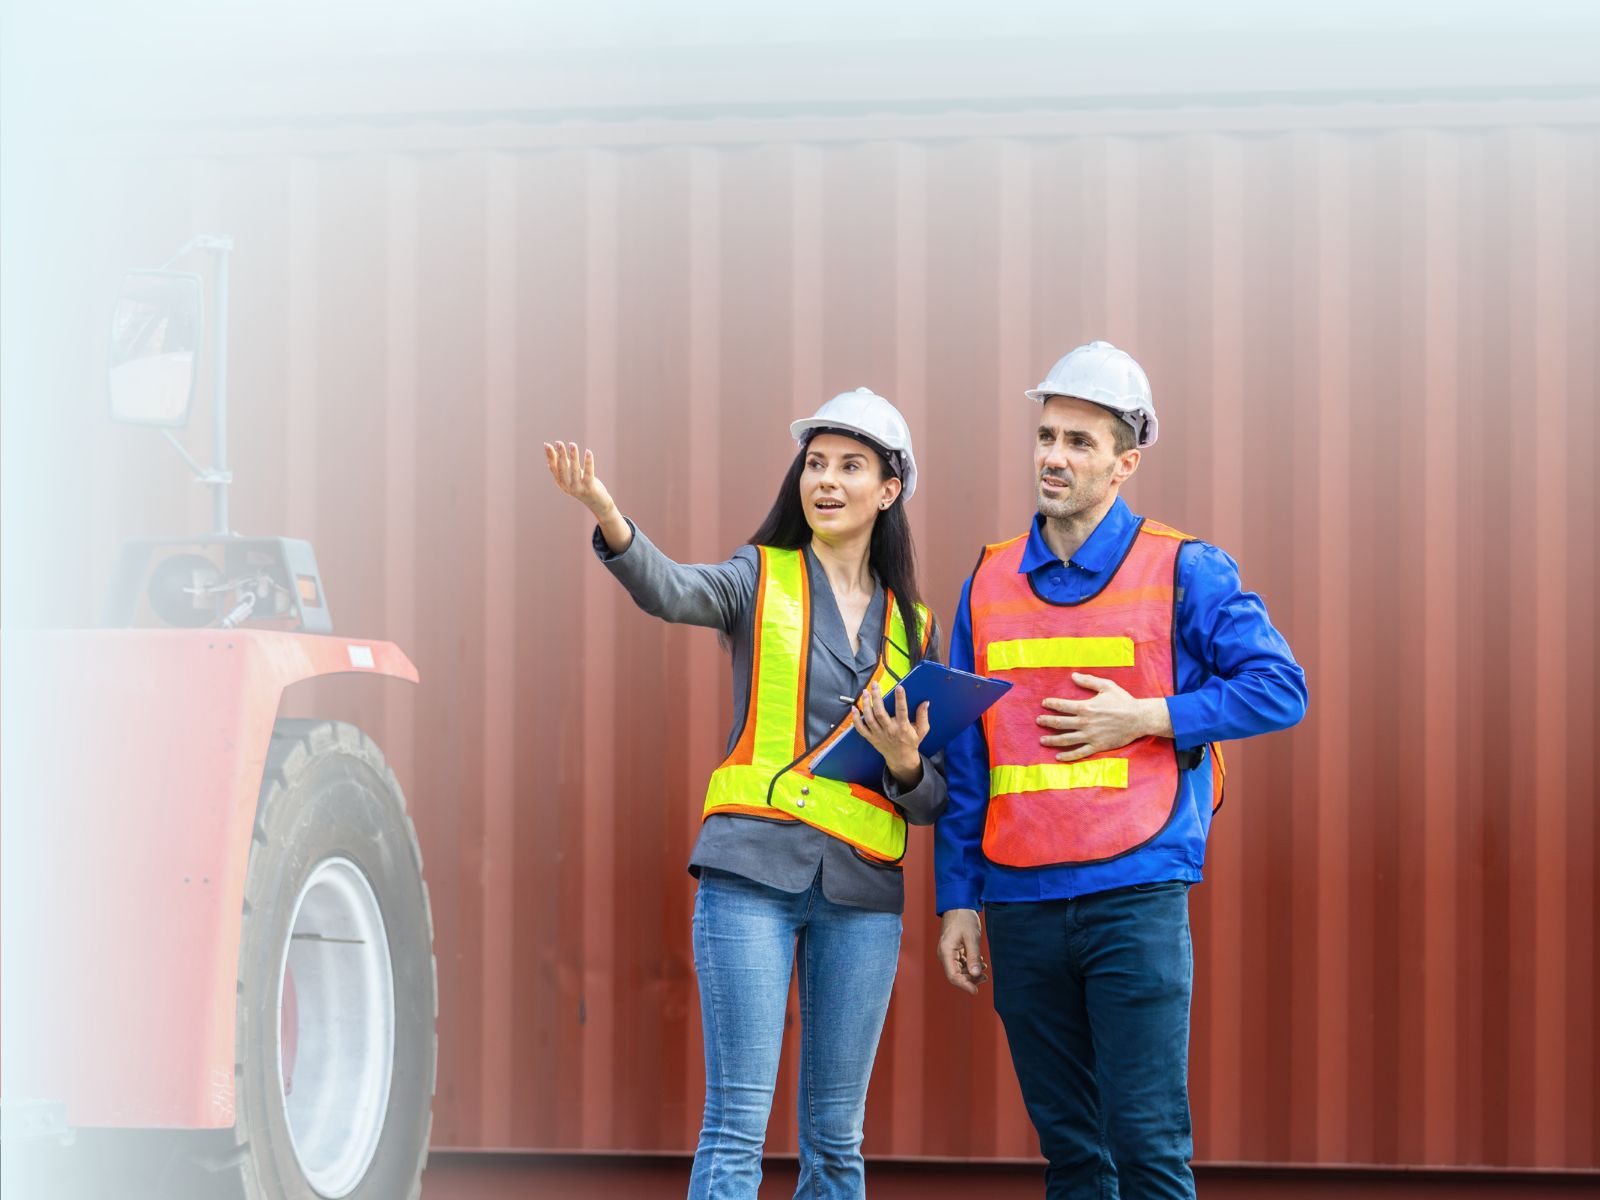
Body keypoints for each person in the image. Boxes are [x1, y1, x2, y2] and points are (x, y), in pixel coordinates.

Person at [545, 387, 947, 1200]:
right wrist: (608, 515)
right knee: (736, 1125)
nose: (826, 481)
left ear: (890, 489)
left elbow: (933, 797)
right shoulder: (758, 576)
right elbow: (670, 590)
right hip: (750, 877)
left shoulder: (916, 626)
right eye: (816, 464)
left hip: (864, 893)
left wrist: (905, 762)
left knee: (837, 1141)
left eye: (851, 466)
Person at [933, 341, 1308, 1199]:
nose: (1054, 457)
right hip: (1020, 903)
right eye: (1046, 436)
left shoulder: (1185, 568)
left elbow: (1281, 689)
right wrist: (959, 899)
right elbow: (968, 756)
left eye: (1080, 442)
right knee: (1071, 1155)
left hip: (1133, 896)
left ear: (1125, 463)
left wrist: (1146, 716)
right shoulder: (988, 580)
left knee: (1146, 1149)